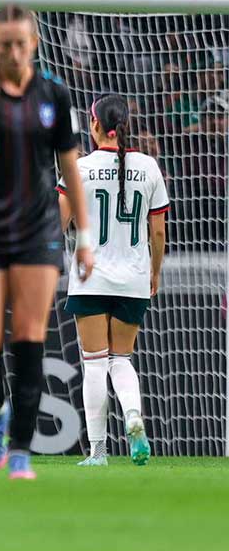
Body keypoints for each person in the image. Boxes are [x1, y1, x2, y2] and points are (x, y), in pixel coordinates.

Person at [0, 4, 95, 480]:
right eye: (5, 44)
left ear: (34, 42)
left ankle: (19, 451)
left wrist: (84, 237)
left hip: (39, 231)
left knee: (30, 338)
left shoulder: (54, 93)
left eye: (22, 43)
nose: (14, 52)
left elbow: (69, 166)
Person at [58, 95, 168, 467]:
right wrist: (154, 272)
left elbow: (58, 224)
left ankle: (99, 452)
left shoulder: (80, 168)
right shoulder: (149, 167)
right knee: (121, 359)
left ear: (94, 124)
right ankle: (133, 415)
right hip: (134, 278)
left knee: (94, 363)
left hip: (91, 277)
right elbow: (157, 232)